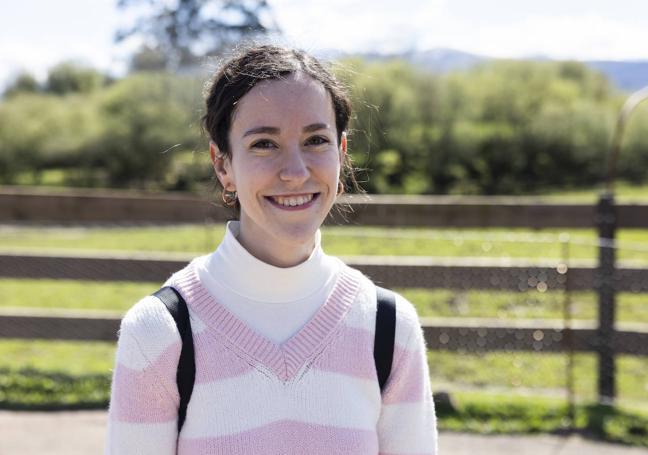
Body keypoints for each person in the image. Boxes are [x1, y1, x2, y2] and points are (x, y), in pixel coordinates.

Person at [105, 44, 437, 454]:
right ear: (222, 164)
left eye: (316, 140)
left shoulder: (389, 328)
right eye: (264, 144)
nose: (296, 172)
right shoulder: (160, 332)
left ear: (342, 153)